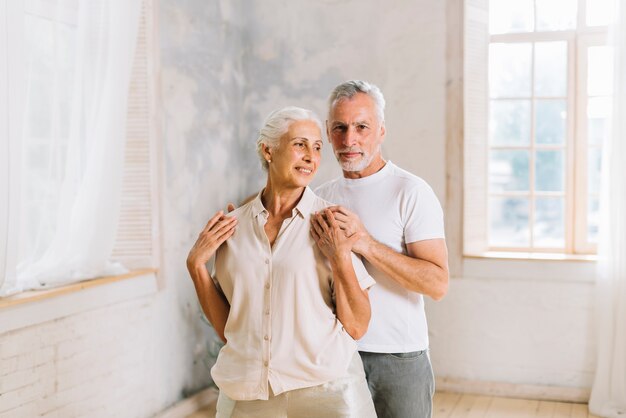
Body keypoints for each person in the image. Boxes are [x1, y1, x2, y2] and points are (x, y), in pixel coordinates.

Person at [186, 106, 377, 418]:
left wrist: (340, 256)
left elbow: (357, 325)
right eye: (299, 144)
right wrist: (196, 267)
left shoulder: (330, 224)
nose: (311, 157)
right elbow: (229, 330)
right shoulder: (231, 229)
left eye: (317, 147)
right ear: (268, 150)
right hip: (248, 392)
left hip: (327, 391)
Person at [313, 80, 449, 418]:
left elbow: (437, 284)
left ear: (381, 131)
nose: (349, 140)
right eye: (340, 128)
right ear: (329, 134)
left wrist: (365, 243)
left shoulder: (411, 192)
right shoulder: (320, 196)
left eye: (361, 127)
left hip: (399, 357)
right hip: (338, 355)